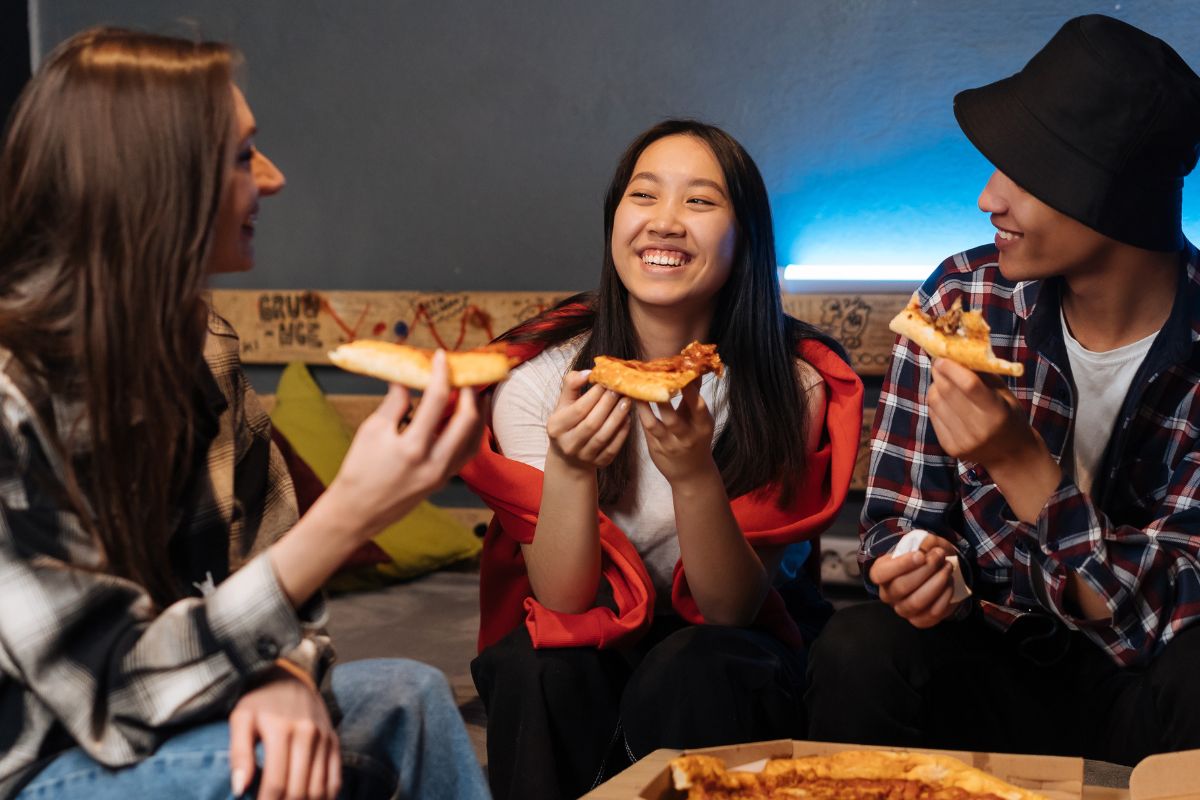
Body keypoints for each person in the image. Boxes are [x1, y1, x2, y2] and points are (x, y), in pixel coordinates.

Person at [0, 27, 490, 800]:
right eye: (240, 156)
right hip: (42, 761)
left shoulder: (208, 356)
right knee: (269, 770)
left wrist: (284, 671)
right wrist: (350, 516)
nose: (274, 178)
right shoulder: (12, 399)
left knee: (413, 701)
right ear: (157, 180)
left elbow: (274, 589)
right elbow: (109, 689)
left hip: (188, 702)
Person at [806, 14, 1200, 766]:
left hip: (1144, 689)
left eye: (1027, 172)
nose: (989, 199)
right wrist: (923, 567)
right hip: (991, 666)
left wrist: (1019, 460)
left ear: (1113, 196)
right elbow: (896, 522)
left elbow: (1164, 616)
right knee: (858, 649)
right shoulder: (964, 298)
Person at [460, 119, 864, 799]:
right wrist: (570, 467)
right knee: (538, 666)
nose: (666, 222)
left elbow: (734, 608)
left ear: (746, 237)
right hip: (593, 629)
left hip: (730, 645)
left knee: (694, 664)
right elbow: (563, 601)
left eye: (701, 202)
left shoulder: (791, 386)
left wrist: (693, 473)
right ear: (614, 219)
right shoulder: (540, 380)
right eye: (644, 197)